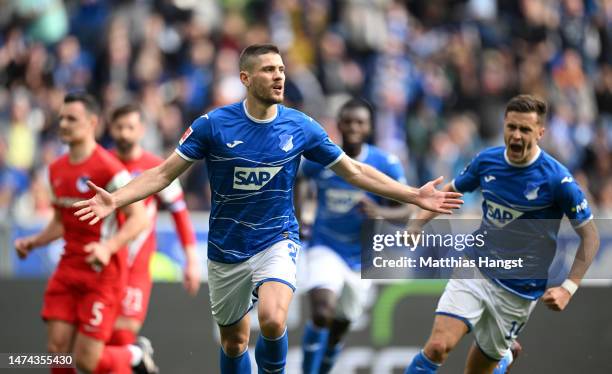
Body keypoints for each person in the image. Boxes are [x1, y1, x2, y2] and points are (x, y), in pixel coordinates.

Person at [73, 44, 463, 374]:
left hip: (277, 238)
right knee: (233, 343)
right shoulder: (213, 125)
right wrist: (115, 199)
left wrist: (414, 194)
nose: (279, 77)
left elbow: (355, 170)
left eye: (281, 70)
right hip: (226, 249)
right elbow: (162, 174)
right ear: (245, 78)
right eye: (268, 70)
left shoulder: (301, 127)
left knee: (274, 320)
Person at [404, 94, 600, 374]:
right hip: (477, 268)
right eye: (512, 127)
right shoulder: (488, 161)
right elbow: (451, 191)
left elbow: (590, 236)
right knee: (437, 347)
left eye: (525, 130)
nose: (517, 136)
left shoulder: (558, 180)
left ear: (540, 133)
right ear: (504, 126)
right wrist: (417, 222)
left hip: (519, 290)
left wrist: (569, 288)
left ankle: (503, 358)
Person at [14, 92, 158, 374]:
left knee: (86, 361)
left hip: (102, 273)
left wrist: (108, 247)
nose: (64, 124)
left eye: (72, 118)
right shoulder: (56, 169)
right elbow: (60, 221)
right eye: (62, 118)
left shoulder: (109, 168)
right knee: (57, 351)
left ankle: (133, 356)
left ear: (92, 122)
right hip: (68, 268)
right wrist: (34, 241)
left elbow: (139, 218)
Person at [298, 97, 414, 374]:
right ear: (338, 125)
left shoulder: (384, 163)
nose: (353, 127)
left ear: (369, 127)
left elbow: (407, 211)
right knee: (321, 312)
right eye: (347, 122)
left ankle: (323, 367)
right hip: (325, 245)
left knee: (339, 328)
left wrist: (379, 212)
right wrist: (300, 215)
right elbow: (301, 178)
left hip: (362, 256)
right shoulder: (324, 157)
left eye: (359, 122)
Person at [107, 103, 201, 347]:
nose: (124, 133)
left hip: (136, 264)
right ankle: (137, 356)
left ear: (141, 130)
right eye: (119, 127)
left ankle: (134, 354)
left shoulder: (157, 168)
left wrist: (191, 259)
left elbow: (179, 211)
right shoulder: (102, 164)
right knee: (95, 340)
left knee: (122, 335)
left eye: (130, 127)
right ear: (111, 129)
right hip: (104, 263)